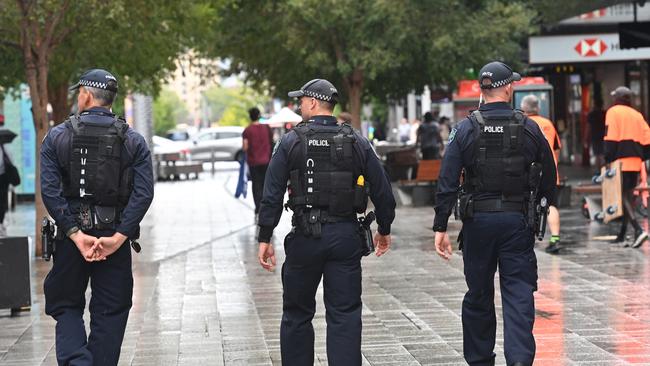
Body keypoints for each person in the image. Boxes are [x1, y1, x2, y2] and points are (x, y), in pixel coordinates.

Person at [257, 78, 396, 366]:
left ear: (312, 103)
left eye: (301, 101)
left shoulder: (291, 141)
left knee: (296, 314)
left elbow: (271, 193)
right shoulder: (357, 140)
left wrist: (265, 236)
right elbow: (383, 190)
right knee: (344, 314)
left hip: (306, 237)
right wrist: (384, 228)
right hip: (345, 236)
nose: (298, 107)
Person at [433, 62, 557, 366]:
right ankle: (518, 360)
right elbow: (549, 175)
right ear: (508, 87)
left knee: (478, 294)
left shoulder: (465, 128)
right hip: (516, 221)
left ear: (481, 89)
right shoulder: (529, 127)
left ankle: (479, 359)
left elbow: (447, 179)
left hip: (478, 222)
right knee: (518, 293)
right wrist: (541, 204)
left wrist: (440, 226)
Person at [41, 69, 154, 366]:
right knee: (111, 309)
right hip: (113, 238)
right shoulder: (134, 141)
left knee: (65, 304)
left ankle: (77, 361)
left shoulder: (57, 136)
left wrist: (75, 233)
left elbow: (50, 192)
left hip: (70, 240)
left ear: (86, 95)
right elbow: (143, 194)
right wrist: (118, 238)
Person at [604, 86, 650, 248]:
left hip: (620, 161)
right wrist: (643, 157)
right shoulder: (637, 115)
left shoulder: (613, 112)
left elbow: (611, 137)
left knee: (621, 196)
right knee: (627, 196)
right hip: (636, 161)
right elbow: (647, 139)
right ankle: (623, 234)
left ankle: (638, 230)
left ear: (617, 98)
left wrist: (608, 159)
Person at [521, 94, 562, 254]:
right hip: (549, 172)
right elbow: (557, 148)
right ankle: (555, 238)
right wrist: (554, 166)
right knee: (550, 204)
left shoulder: (523, 124)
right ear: (537, 107)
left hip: (529, 174)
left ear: (524, 108)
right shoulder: (548, 124)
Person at [242, 107, 272, 216]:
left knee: (256, 185)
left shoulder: (247, 130)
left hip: (254, 162)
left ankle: (258, 208)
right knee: (265, 184)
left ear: (250, 117)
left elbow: (245, 147)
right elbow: (271, 142)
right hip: (266, 161)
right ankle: (265, 207)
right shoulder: (266, 128)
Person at [586, 99, 606, 169]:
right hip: (604, 136)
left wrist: (586, 138)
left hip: (595, 136)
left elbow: (588, 127)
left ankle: (598, 170)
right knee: (603, 155)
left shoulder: (591, 114)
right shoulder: (605, 113)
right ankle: (603, 169)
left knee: (597, 155)